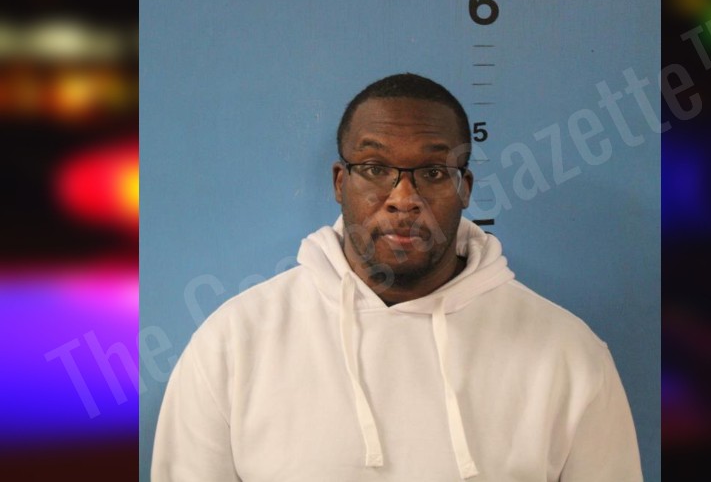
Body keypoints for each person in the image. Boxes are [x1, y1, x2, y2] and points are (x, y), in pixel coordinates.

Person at [152, 73, 642, 481]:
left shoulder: (569, 356)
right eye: (374, 168)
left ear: (464, 188)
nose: (403, 198)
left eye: (432, 172)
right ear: (340, 182)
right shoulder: (233, 344)